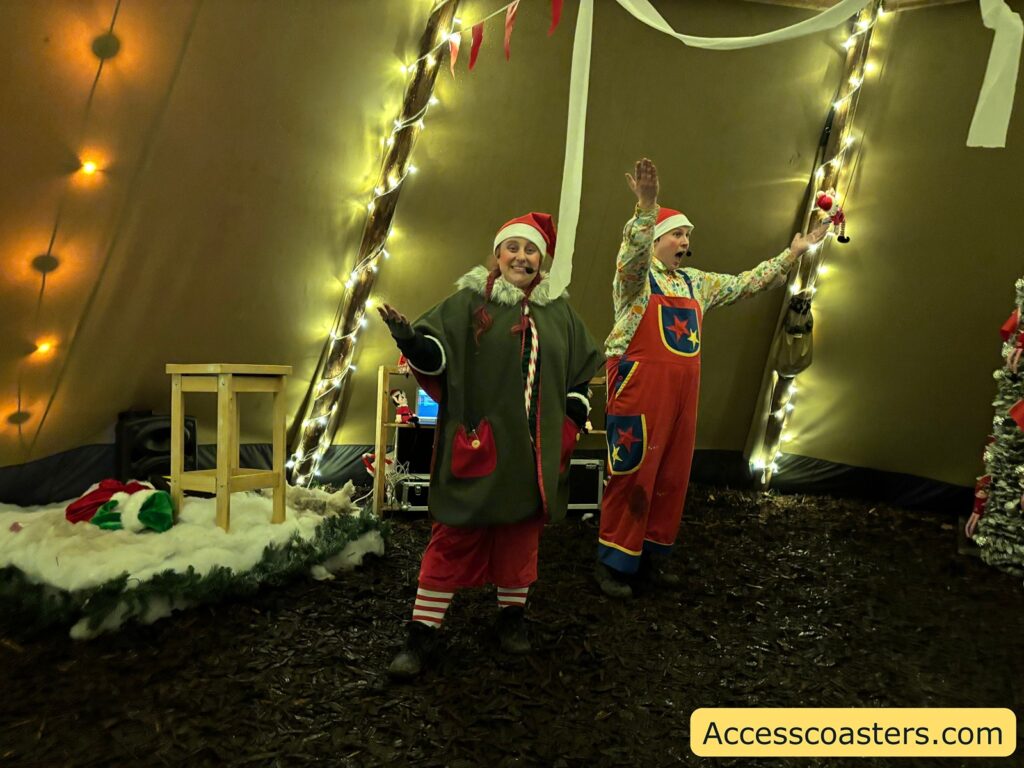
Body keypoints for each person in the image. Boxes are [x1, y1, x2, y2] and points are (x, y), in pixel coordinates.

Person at [378, 212, 603, 679]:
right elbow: (436, 354)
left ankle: (511, 619)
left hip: (533, 453)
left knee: (519, 538)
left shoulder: (558, 310)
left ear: (542, 261)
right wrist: (410, 339)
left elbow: (581, 373)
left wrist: (570, 427)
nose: (521, 256)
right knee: (454, 536)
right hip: (480, 442)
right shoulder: (469, 302)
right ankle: (421, 637)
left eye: (531, 250)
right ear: (497, 255)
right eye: (513, 247)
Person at [595, 158, 828, 598]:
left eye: (687, 235)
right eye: (676, 234)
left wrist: (791, 254)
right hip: (639, 389)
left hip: (683, 393)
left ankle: (654, 556)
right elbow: (629, 255)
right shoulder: (634, 282)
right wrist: (646, 208)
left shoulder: (695, 283)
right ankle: (613, 560)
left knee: (672, 474)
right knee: (632, 471)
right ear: (655, 240)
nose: (684, 241)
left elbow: (746, 284)